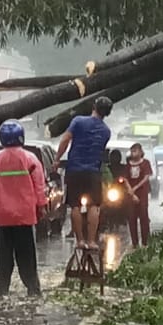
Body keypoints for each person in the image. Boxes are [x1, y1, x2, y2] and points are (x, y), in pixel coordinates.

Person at [0, 120, 45, 296]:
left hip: (3, 216)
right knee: (27, 254)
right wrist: (41, 206)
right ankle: (33, 287)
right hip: (25, 215)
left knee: (3, 255)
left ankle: (3, 287)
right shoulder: (30, 159)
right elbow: (39, 186)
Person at [52, 96, 112, 250]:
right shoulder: (106, 131)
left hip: (74, 170)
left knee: (75, 206)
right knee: (94, 206)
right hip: (93, 172)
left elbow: (65, 139)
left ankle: (80, 241)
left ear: (93, 107)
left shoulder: (78, 121)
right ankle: (92, 241)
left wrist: (57, 159)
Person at [124, 143, 152, 248]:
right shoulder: (128, 165)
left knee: (144, 216)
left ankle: (145, 242)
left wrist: (135, 189)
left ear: (140, 152)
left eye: (135, 151)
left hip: (142, 193)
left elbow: (146, 178)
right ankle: (134, 242)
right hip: (131, 195)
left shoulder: (145, 163)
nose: (133, 153)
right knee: (132, 217)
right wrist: (130, 191)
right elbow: (125, 178)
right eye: (132, 151)